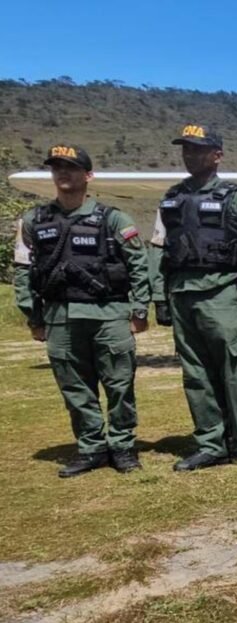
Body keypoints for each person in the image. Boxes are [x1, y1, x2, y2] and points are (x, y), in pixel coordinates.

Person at [158, 123, 237, 471]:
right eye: (186, 149)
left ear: (217, 155)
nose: (190, 155)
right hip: (182, 295)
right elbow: (162, 250)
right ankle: (210, 444)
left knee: (233, 372)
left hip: (223, 294)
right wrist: (160, 297)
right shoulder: (172, 198)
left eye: (198, 149)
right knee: (196, 374)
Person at [15, 144, 150, 476]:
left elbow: (139, 264)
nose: (63, 173)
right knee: (74, 388)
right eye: (57, 167)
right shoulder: (34, 220)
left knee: (119, 385)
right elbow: (23, 270)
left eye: (72, 167)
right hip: (59, 318)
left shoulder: (114, 219)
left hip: (109, 315)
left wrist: (139, 309)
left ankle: (122, 447)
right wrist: (33, 316)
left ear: (88, 175)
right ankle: (90, 449)